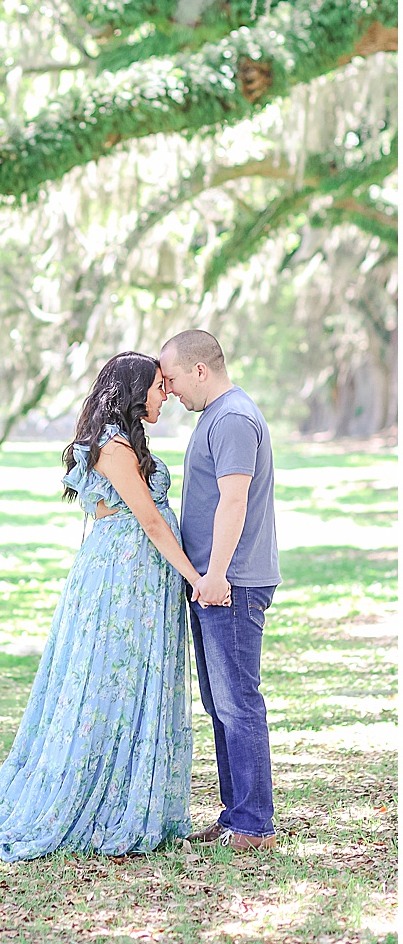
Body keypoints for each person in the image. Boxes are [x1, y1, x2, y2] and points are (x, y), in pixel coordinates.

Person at [0, 350, 228, 863]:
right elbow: (150, 522)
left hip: (144, 578)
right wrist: (196, 577)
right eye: (159, 386)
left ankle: (137, 797)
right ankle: (96, 797)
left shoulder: (128, 440)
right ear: (136, 392)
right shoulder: (112, 445)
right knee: (108, 681)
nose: (166, 394)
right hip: (122, 580)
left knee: (137, 680)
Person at [159, 329, 281, 853]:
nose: (169, 390)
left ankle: (254, 825)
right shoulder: (217, 415)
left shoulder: (231, 417)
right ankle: (237, 815)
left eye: (173, 379)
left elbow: (234, 501)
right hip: (214, 582)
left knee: (238, 703)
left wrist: (215, 576)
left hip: (230, 583)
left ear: (200, 371)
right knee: (222, 703)